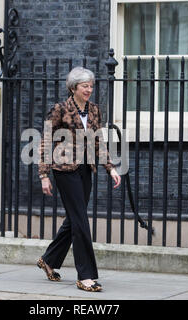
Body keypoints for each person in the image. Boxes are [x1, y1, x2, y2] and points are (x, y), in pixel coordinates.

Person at [36, 67, 121, 292]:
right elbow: (45, 141)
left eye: (91, 86)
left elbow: (98, 142)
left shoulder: (94, 110)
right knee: (81, 220)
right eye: (85, 86)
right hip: (65, 170)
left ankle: (49, 260)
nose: (89, 90)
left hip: (86, 169)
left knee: (75, 218)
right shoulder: (60, 109)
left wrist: (110, 168)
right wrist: (44, 175)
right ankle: (86, 276)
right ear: (74, 87)